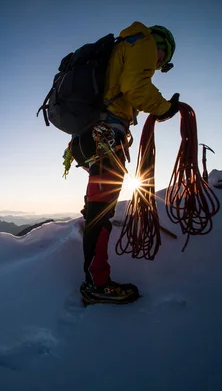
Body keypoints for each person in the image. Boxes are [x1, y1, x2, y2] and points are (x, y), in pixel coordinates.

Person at [70, 21, 180, 304]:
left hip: (88, 138)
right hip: (106, 137)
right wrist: (165, 108)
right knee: (100, 213)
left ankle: (95, 277)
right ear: (162, 47)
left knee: (97, 208)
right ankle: (98, 284)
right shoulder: (142, 42)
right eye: (162, 59)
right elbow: (136, 87)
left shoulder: (121, 48)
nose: (157, 64)